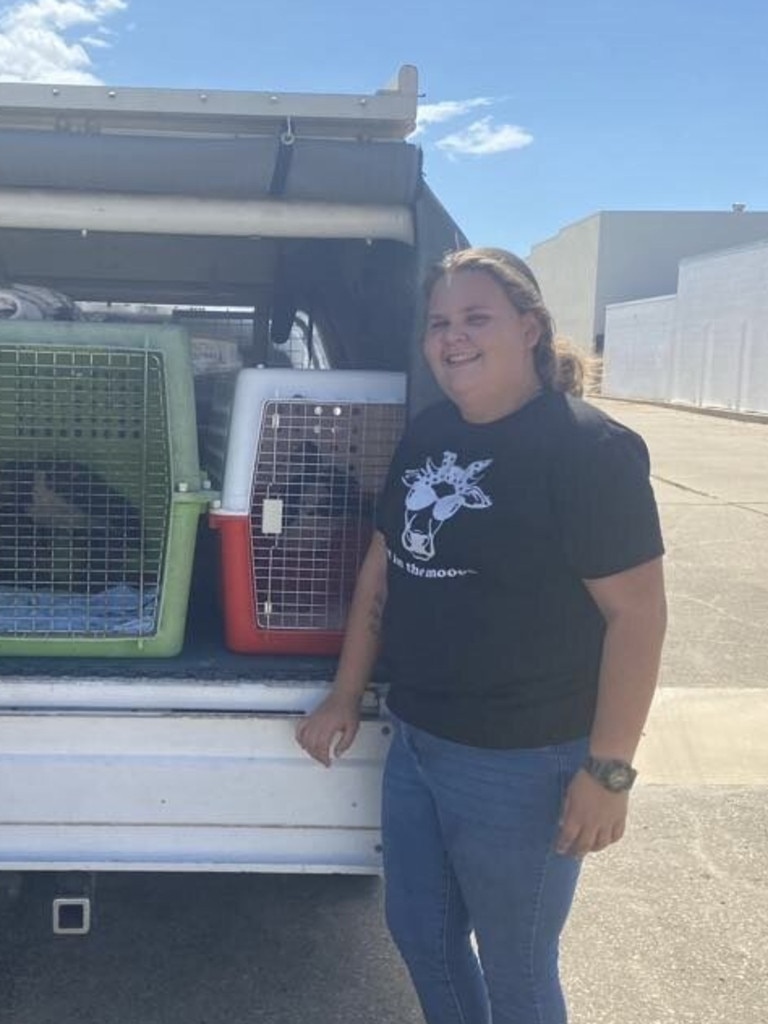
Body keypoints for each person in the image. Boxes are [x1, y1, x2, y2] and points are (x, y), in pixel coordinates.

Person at [296, 247, 667, 1024]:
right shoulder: (430, 434)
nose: (452, 337)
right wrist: (343, 693)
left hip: (524, 765)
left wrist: (609, 772)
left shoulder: (588, 451)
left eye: (476, 318)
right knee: (420, 938)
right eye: (439, 323)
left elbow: (637, 616)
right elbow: (382, 569)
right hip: (418, 744)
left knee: (517, 970)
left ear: (530, 328)